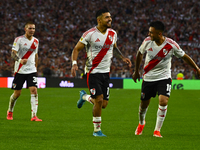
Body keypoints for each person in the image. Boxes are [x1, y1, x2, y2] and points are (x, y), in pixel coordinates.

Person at [132, 21, 200, 138]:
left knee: (163, 101)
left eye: (151, 32)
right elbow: (139, 54)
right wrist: (136, 71)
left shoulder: (171, 45)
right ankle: (141, 123)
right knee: (144, 105)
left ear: (159, 34)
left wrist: (197, 69)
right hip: (148, 78)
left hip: (164, 77)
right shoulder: (147, 42)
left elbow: (184, 56)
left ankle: (157, 131)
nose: (149, 34)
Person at [71, 8, 132, 137]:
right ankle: (97, 130)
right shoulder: (90, 34)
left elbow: (114, 48)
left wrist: (122, 58)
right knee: (98, 100)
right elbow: (76, 49)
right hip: (92, 72)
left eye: (110, 17)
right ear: (99, 20)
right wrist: (74, 64)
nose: (110, 19)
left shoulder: (113, 33)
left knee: (103, 104)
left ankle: (84, 97)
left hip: (106, 73)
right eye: (106, 17)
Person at [7, 21, 42, 121]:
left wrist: (36, 67)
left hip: (31, 70)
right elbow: (13, 54)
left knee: (34, 90)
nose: (32, 30)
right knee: (17, 94)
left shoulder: (36, 41)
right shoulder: (19, 40)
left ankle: (34, 116)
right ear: (25, 29)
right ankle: (10, 111)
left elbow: (36, 55)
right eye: (30, 28)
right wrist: (20, 60)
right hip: (20, 70)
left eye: (33, 28)